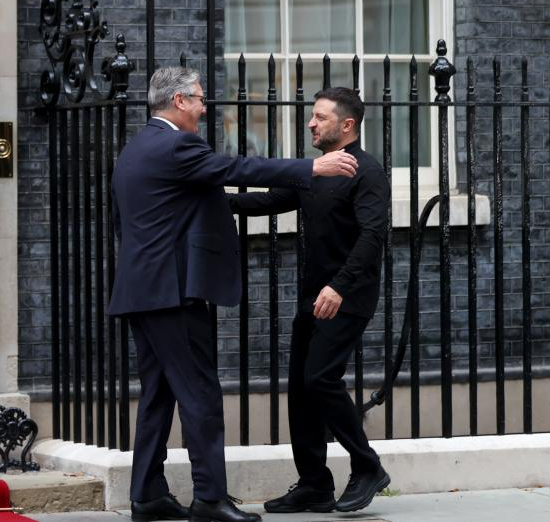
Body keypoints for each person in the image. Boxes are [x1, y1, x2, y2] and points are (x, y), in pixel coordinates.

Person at [109, 67, 359, 522]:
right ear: (179, 101)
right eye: (199, 99)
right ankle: (209, 498)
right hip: (172, 292)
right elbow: (236, 168)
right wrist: (311, 167)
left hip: (142, 290)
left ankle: (147, 493)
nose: (204, 108)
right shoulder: (176, 145)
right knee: (201, 395)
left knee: (158, 395)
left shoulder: (137, 147)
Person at [228, 87, 391, 514]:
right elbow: (268, 200)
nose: (311, 123)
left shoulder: (367, 172)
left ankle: (367, 466)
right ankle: (315, 484)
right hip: (312, 296)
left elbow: (372, 236)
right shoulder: (315, 171)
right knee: (302, 388)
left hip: (347, 296)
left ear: (347, 125)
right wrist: (212, 200)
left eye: (320, 117)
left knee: (320, 378)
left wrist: (339, 287)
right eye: (312, 116)